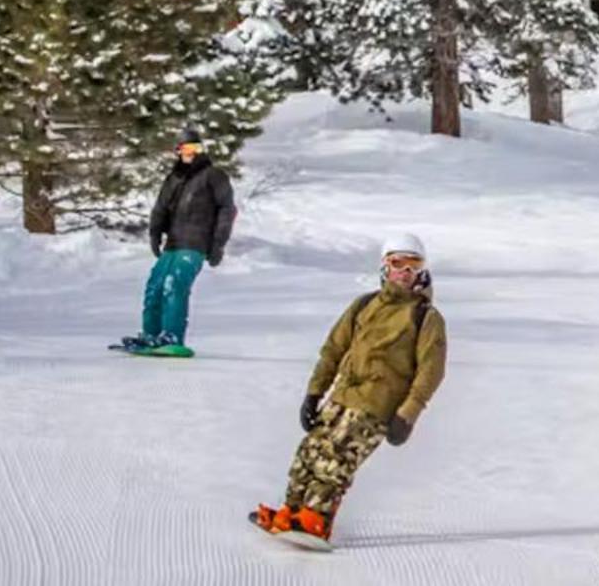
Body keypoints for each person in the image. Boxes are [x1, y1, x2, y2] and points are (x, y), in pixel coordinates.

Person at [254, 232, 449, 546]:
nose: (404, 271)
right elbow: (334, 349)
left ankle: (316, 519)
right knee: (309, 453)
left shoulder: (425, 317)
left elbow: (431, 371)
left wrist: (408, 414)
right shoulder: (364, 304)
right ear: (385, 266)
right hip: (342, 395)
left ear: (421, 271)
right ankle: (292, 510)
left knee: (335, 459)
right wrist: (314, 393)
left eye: (412, 265)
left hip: (377, 405)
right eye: (397, 263)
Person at [123, 125, 235, 355]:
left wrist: (218, 244)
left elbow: (227, 209)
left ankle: (172, 335)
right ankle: (152, 335)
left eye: (196, 147)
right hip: (173, 244)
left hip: (195, 244)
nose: (191, 153)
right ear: (178, 151)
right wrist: (155, 233)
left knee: (174, 285)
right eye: (186, 148)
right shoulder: (174, 178)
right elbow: (160, 208)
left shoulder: (213, 175)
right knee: (154, 286)